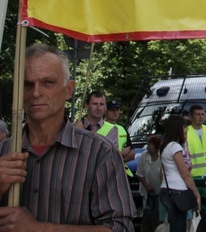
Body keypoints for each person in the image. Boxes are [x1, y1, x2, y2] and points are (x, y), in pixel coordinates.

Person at [0, 43, 135, 230]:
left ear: (68, 89)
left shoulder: (99, 153)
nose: (36, 92)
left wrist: (39, 229)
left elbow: (120, 228)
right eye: (27, 84)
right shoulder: (4, 152)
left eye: (48, 82)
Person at [159, 115, 201, 232]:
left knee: (173, 225)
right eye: (185, 128)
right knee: (179, 227)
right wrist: (196, 193)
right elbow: (185, 174)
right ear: (180, 129)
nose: (186, 131)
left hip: (165, 189)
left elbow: (161, 173)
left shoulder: (164, 146)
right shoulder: (175, 146)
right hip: (177, 190)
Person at [185, 104, 206, 208]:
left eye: (203, 114)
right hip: (194, 176)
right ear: (191, 117)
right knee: (195, 208)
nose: (201, 117)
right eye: (198, 114)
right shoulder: (186, 132)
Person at [137, 134, 163, 232]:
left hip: (160, 192)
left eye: (150, 145)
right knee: (148, 214)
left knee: (159, 216)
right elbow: (139, 173)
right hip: (148, 192)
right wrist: (147, 186)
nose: (147, 147)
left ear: (156, 147)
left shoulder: (162, 156)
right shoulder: (144, 156)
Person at [106, 100, 135, 176]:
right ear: (106, 111)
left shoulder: (122, 129)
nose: (115, 112)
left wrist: (116, 160)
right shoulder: (99, 127)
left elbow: (132, 154)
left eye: (117, 110)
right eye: (112, 110)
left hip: (123, 172)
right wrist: (122, 153)